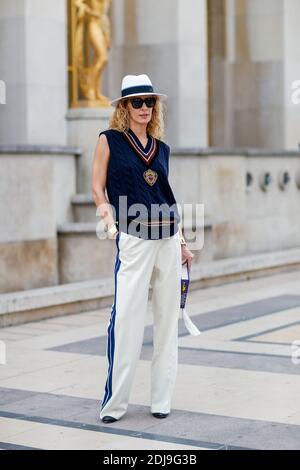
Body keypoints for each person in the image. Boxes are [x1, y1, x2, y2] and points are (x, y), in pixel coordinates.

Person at [91, 74, 194, 423]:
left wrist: (181, 242)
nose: (145, 108)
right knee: (126, 321)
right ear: (124, 106)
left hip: (167, 239)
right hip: (133, 240)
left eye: (150, 102)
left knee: (166, 322)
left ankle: (161, 400)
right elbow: (97, 188)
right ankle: (115, 404)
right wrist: (110, 225)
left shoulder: (162, 148)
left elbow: (167, 196)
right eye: (137, 102)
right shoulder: (109, 141)